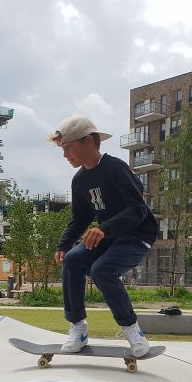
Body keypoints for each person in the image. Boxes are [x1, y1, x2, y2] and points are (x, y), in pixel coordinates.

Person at [48, 115, 158, 356]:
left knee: (102, 270)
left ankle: (132, 330)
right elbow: (80, 218)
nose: (65, 155)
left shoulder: (115, 168)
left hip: (136, 235)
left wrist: (105, 228)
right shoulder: (79, 181)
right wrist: (64, 244)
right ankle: (78, 328)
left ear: (88, 141)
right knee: (73, 261)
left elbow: (137, 210)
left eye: (67, 148)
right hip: (108, 238)